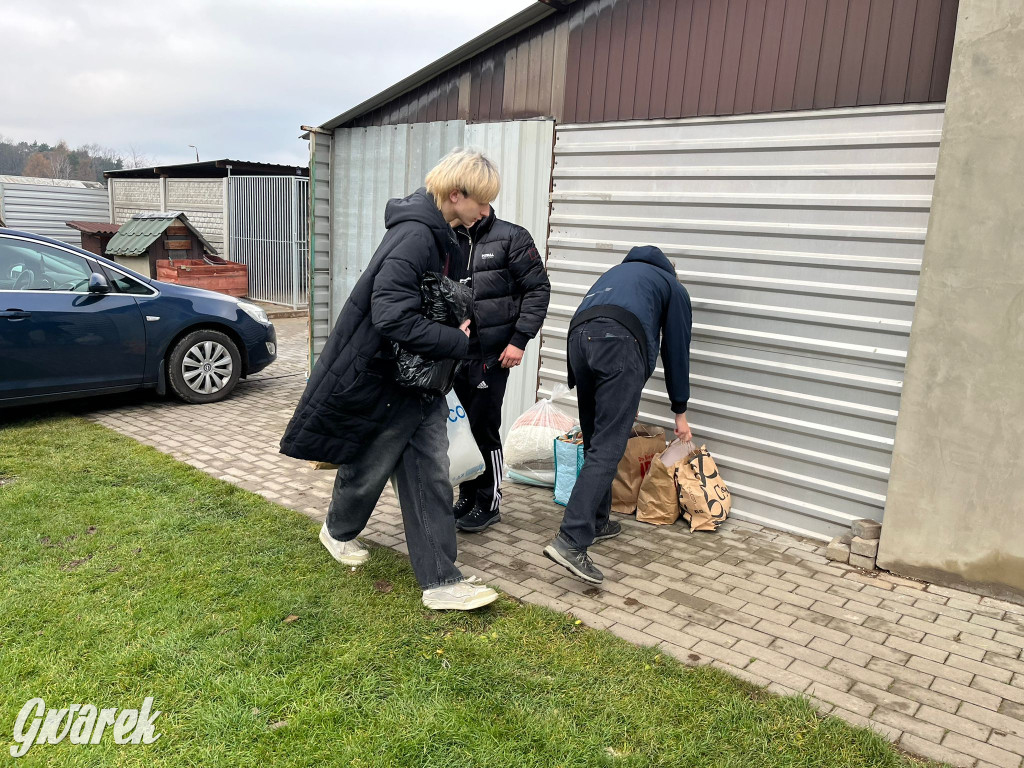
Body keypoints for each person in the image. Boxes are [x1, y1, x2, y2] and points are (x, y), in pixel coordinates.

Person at [280, 149, 502, 611]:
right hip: (389, 376)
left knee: (427, 475)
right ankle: (339, 532)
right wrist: (456, 341)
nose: (485, 212)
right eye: (480, 202)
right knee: (372, 465)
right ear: (455, 194)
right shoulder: (416, 237)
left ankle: (440, 581)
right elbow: (391, 316)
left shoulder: (443, 235)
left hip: (418, 379)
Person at [543, 245, 693, 585]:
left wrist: (626, 385)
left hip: (579, 341)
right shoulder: (672, 286)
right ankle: (571, 539)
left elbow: (590, 319)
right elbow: (676, 349)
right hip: (617, 344)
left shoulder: (615, 274)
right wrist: (679, 410)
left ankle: (598, 520)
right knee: (608, 446)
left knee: (597, 438)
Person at [448, 207, 550, 532]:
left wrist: (519, 340)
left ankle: (489, 502)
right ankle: (467, 494)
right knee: (462, 427)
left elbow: (538, 289)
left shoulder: (512, 237)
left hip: (491, 355)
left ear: (481, 201)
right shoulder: (450, 237)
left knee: (484, 426)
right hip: (456, 351)